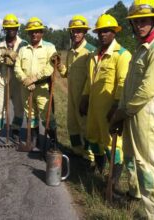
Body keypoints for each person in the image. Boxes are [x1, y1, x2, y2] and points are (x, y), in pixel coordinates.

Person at [110, 0, 154, 219]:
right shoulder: (140, 49)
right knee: (130, 158)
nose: (139, 26)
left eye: (144, 21)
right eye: (136, 22)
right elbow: (129, 85)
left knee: (147, 166)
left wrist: (123, 112)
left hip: (144, 116)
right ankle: (134, 193)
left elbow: (146, 90)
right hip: (130, 112)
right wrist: (121, 110)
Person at [80, 14, 131, 185]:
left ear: (114, 32)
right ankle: (100, 168)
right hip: (94, 107)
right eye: (100, 31)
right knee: (93, 138)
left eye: (107, 31)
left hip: (109, 109)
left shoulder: (122, 55)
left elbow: (123, 83)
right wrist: (85, 97)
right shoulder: (94, 55)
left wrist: (116, 106)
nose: (103, 34)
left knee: (111, 144)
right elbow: (89, 79)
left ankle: (113, 178)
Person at [56, 15, 96, 162]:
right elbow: (67, 73)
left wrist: (85, 98)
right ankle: (77, 151)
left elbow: (92, 77)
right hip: (72, 95)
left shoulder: (91, 51)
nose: (76, 34)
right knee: (72, 124)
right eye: (73, 31)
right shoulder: (71, 51)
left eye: (79, 31)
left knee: (85, 127)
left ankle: (90, 157)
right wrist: (59, 65)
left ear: (85, 32)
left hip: (84, 97)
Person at [14, 17, 57, 151]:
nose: (34, 34)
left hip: (43, 87)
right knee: (31, 115)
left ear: (42, 33)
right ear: (28, 33)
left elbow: (50, 67)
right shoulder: (23, 49)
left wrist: (35, 79)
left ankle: (53, 142)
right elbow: (17, 67)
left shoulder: (49, 47)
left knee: (47, 115)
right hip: (26, 87)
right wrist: (24, 80)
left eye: (37, 31)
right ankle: (34, 140)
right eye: (31, 32)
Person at [0, 14, 28, 144]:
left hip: (17, 80)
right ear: (4, 29)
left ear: (17, 29)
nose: (11, 30)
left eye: (14, 28)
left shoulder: (23, 44)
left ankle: (15, 130)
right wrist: (3, 56)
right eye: (8, 28)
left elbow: (26, 63)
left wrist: (15, 59)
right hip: (3, 79)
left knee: (18, 107)